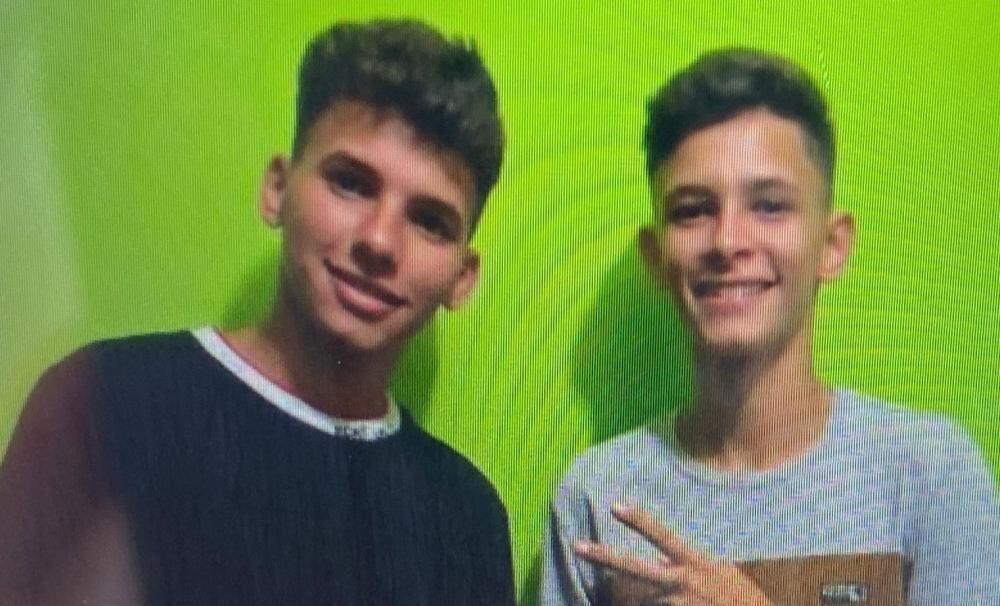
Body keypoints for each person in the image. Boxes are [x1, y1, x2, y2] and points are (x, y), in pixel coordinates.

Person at [0, 19, 515, 606]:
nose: (379, 240)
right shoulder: (101, 406)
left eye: (429, 221)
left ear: (462, 278)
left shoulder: (467, 520)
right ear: (277, 190)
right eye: (350, 183)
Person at [540, 48, 999, 606]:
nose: (728, 241)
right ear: (656, 258)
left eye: (769, 206)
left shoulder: (932, 474)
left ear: (832, 246)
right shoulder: (597, 497)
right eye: (692, 210)